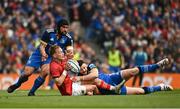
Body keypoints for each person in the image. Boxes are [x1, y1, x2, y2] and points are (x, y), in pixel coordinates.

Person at [7, 19, 73, 96]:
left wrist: (70, 55)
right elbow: (42, 46)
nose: (66, 30)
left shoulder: (68, 38)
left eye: (67, 28)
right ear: (59, 27)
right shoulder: (49, 32)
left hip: (51, 57)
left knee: (45, 71)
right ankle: (17, 84)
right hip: (38, 54)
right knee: (27, 72)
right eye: (64, 27)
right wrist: (43, 53)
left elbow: (70, 51)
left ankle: (32, 92)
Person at [72, 58, 173, 95]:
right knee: (140, 91)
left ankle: (157, 65)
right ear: (78, 71)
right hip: (109, 91)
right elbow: (93, 91)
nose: (84, 69)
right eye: (82, 69)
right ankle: (161, 87)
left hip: (112, 78)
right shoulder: (82, 82)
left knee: (134, 71)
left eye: (84, 67)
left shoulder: (90, 66)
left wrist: (80, 78)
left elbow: (94, 75)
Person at [49, 45, 122, 96]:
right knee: (93, 87)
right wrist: (65, 70)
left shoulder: (61, 60)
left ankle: (114, 88)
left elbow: (69, 57)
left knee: (95, 80)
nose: (62, 54)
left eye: (62, 52)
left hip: (71, 83)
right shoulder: (53, 66)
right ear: (54, 55)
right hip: (69, 91)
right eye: (60, 52)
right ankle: (99, 97)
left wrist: (70, 55)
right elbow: (58, 82)